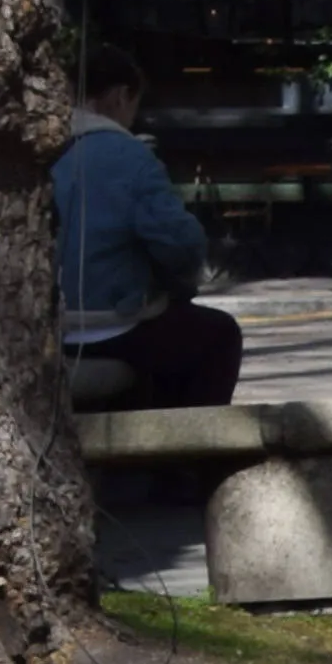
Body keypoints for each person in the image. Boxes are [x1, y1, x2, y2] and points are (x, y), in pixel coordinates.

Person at [53, 47, 241, 408]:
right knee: (219, 335)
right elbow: (180, 245)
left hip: (40, 326)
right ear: (120, 96)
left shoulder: (33, 145)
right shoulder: (129, 155)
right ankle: (189, 459)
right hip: (107, 326)